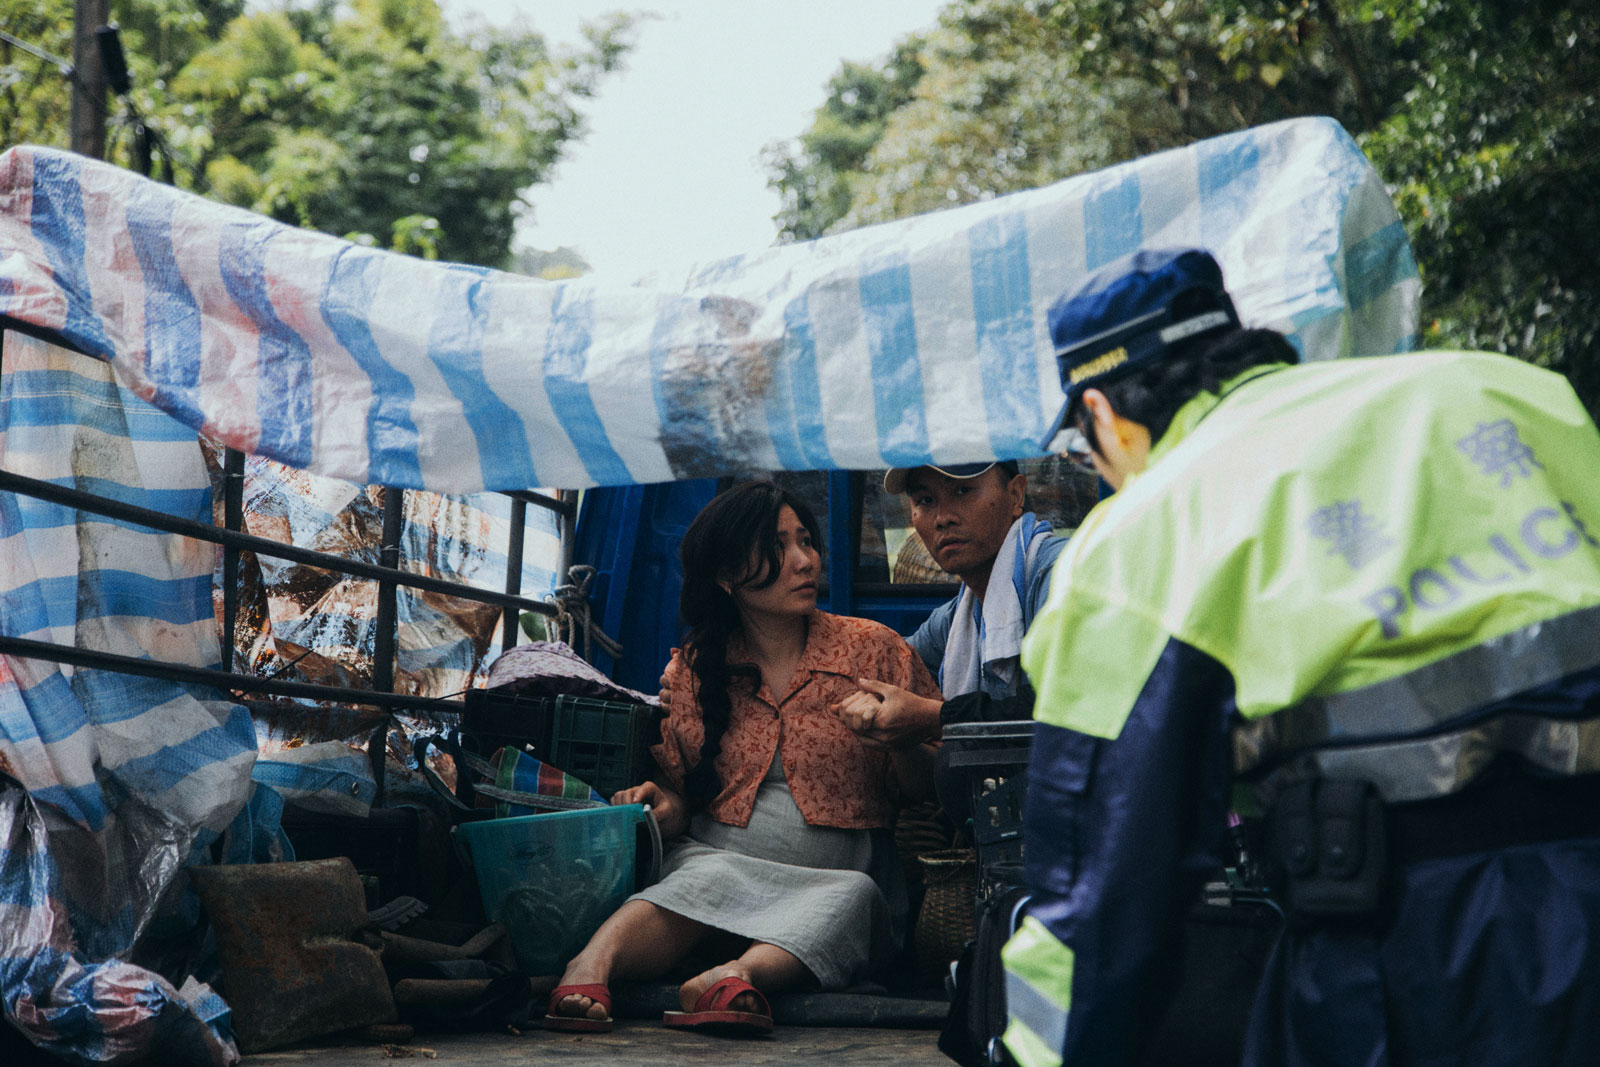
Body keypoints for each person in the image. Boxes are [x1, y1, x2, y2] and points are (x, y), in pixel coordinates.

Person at [1001, 246, 1600, 1066]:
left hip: (1411, 961)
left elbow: (1100, 896)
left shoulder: (1151, 530)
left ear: (1103, 413)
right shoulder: (1508, 391)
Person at [546, 479, 943, 1034]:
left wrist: (899, 739)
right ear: (728, 574)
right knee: (687, 882)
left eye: (806, 540)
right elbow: (685, 802)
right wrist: (663, 803)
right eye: (779, 547)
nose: (805, 561)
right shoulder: (693, 668)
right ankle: (588, 966)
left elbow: (930, 790)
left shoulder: (873, 649)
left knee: (856, 900)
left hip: (836, 880)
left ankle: (736, 976)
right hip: (719, 862)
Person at [835, 461, 1066, 824]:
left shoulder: (1058, 577)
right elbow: (892, 662)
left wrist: (935, 718)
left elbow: (1063, 711)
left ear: (1015, 494)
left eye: (962, 491)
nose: (942, 518)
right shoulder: (961, 613)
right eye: (926, 500)